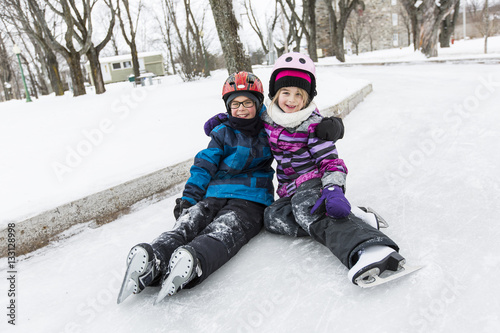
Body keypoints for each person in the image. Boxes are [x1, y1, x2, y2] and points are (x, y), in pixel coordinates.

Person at [117, 72, 275, 304]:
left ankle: (193, 261)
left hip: (251, 198)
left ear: (258, 104)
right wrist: (189, 198)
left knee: (226, 228)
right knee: (189, 221)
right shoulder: (222, 133)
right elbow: (204, 165)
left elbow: (296, 134)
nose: (241, 109)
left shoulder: (271, 131)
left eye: (247, 102)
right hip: (215, 193)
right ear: (228, 107)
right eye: (235, 104)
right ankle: (155, 258)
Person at [261, 52, 408, 287]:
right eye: (285, 92)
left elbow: (331, 162)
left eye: (299, 94)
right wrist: (225, 123)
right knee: (271, 217)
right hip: (289, 189)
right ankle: (357, 217)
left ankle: (368, 247)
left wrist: (333, 188)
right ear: (275, 93)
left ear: (308, 98)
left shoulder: (314, 126)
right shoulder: (268, 119)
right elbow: (245, 113)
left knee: (306, 210)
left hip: (316, 181)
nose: (291, 99)